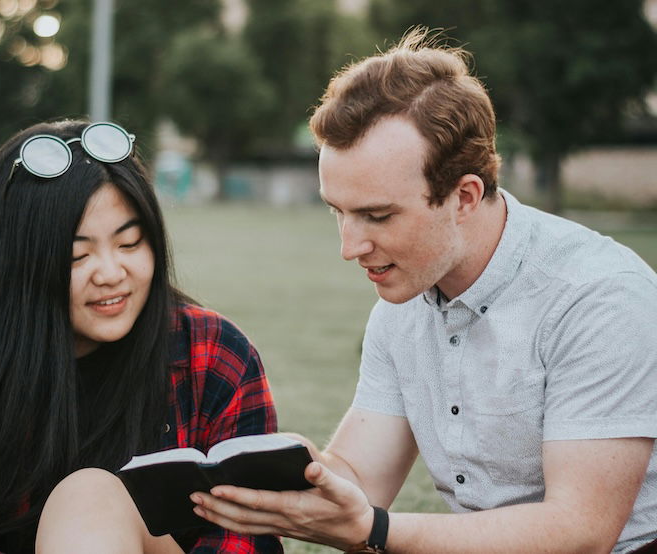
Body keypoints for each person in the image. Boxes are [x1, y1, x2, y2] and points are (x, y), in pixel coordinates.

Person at [189, 29, 657, 553]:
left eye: (378, 215)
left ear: (464, 197)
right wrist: (297, 474)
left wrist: (376, 530)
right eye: (337, 210)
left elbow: (582, 533)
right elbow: (359, 481)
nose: (350, 246)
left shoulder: (600, 298)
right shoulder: (404, 299)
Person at [0, 119, 282, 553]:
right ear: (16, 263)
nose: (110, 274)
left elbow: (248, 536)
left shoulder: (212, 352)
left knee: (90, 498)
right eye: (77, 255)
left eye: (130, 244)